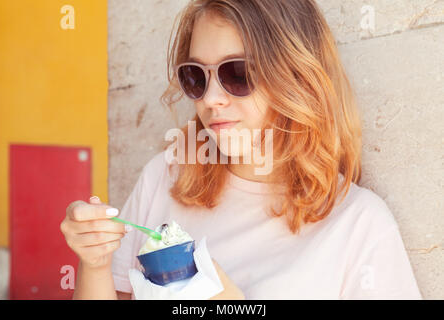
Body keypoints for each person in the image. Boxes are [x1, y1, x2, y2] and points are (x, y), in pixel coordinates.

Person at [60, 0, 422, 299]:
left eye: (238, 73)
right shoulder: (165, 177)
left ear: (296, 77)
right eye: (196, 77)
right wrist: (94, 263)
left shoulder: (360, 226)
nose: (212, 99)